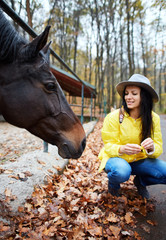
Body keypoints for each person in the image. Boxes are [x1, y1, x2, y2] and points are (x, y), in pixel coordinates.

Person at [98, 74, 166, 199]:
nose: (128, 97)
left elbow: (158, 147)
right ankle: (113, 185)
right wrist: (121, 149)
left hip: (139, 160)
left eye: (134, 94)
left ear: (144, 97)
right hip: (117, 159)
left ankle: (140, 182)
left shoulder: (153, 118)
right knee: (121, 171)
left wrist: (151, 148)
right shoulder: (113, 117)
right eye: (127, 93)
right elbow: (108, 146)